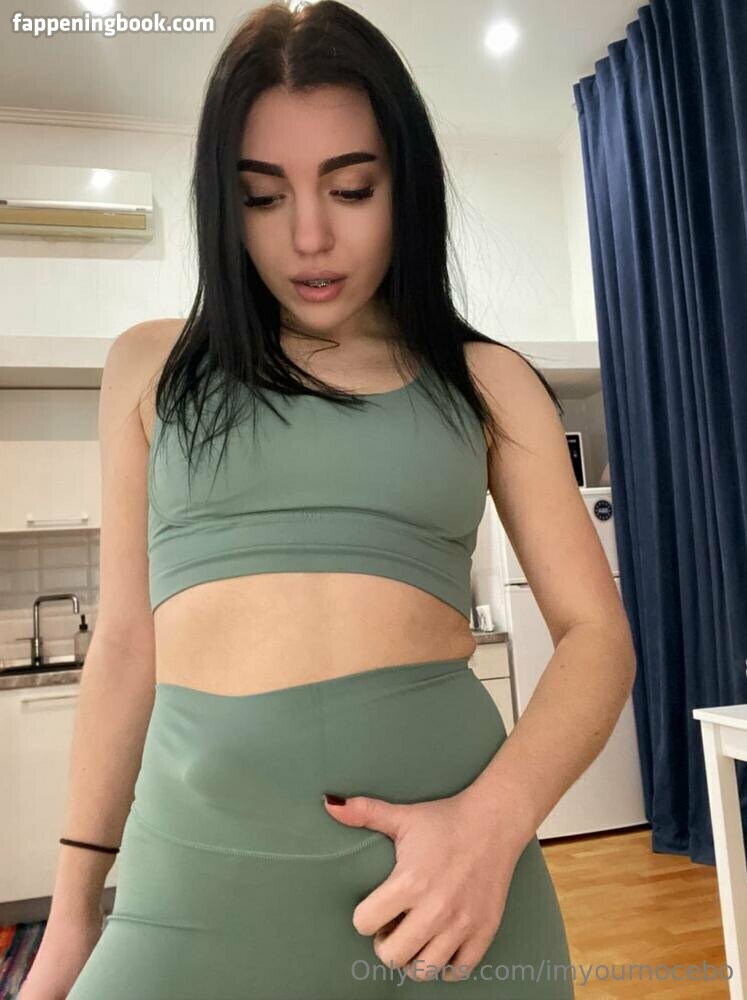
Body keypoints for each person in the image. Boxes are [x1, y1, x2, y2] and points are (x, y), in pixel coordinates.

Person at [19, 2, 636, 998]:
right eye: (263, 197)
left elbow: (596, 636)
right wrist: (73, 909)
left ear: (405, 184)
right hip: (197, 876)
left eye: (351, 188)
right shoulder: (151, 369)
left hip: (449, 884)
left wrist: (493, 824)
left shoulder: (486, 381)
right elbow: (126, 644)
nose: (309, 237)